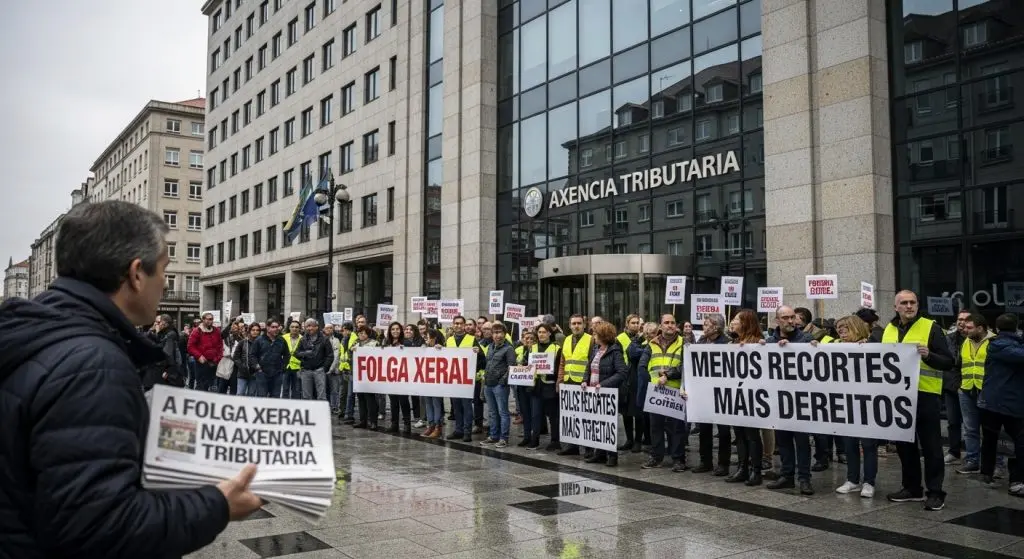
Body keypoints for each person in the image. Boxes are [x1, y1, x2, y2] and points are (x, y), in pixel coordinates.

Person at [0, 201, 261, 557]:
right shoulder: (93, 365)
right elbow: (98, 527)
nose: (166, 286)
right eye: (165, 270)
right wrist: (217, 505)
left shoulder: (41, 333)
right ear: (137, 274)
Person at [884, 290, 954, 511]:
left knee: (932, 446)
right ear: (896, 307)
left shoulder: (930, 327)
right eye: (904, 303)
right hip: (898, 397)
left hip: (925, 396)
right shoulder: (889, 329)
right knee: (905, 445)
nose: (909, 306)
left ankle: (935, 492)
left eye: (912, 302)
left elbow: (948, 362)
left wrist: (929, 356)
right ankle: (912, 488)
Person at [765, 306, 815, 495]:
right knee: (783, 440)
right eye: (785, 317)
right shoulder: (770, 342)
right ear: (777, 321)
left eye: (792, 317)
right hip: (780, 399)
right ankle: (787, 475)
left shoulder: (807, 339)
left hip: (802, 399)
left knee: (802, 441)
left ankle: (804, 478)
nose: (790, 321)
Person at [832, 315, 880, 498]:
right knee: (849, 443)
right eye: (839, 329)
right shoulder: (836, 346)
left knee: (868, 444)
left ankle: (869, 482)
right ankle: (852, 480)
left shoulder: (872, 346)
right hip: (846, 402)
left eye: (845, 328)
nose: (841, 332)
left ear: (857, 328)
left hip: (867, 402)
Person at [977, 313, 1024, 494]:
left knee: (991, 439)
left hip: (994, 402)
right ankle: (1015, 479)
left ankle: (987, 472)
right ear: (1016, 328)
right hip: (1006, 403)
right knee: (1017, 442)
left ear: (996, 328)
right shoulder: (1002, 346)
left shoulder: (994, 344)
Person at [640, 313, 687, 472]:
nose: (670, 325)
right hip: (656, 392)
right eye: (666, 322)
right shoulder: (651, 344)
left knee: (676, 428)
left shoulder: (684, 343)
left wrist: (669, 375)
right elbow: (643, 365)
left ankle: (678, 459)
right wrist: (650, 383)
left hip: (675, 392)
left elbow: (686, 366)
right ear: (660, 326)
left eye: (673, 322)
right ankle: (656, 457)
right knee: (656, 427)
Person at [726, 309, 766, 485]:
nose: (732, 322)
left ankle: (755, 471)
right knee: (739, 433)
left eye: (736, 319)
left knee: (752, 434)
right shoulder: (733, 342)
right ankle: (742, 468)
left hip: (752, 395)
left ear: (746, 323)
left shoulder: (759, 344)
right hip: (736, 394)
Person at [584, 320, 628, 467]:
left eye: (596, 334)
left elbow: (622, 372)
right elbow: (589, 367)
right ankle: (600, 453)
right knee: (597, 424)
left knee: (608, 425)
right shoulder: (595, 349)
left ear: (603, 335)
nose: (593, 336)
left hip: (607, 393)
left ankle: (612, 455)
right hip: (593, 392)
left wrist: (603, 384)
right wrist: (585, 380)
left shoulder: (615, 351)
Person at [694, 313, 730, 476]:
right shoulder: (701, 341)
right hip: (703, 392)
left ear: (716, 327)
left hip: (721, 391)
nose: (704, 327)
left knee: (723, 430)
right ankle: (705, 461)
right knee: (704, 428)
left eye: (707, 324)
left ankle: (723, 463)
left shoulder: (727, 343)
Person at [482, 323, 516, 448]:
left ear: (505, 334)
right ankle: (493, 435)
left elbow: (511, 367)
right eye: (495, 332)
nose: (497, 335)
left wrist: (503, 381)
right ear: (492, 334)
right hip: (488, 384)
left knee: (503, 412)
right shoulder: (490, 347)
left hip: (500, 386)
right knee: (492, 412)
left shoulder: (509, 349)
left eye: (500, 332)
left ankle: (503, 438)